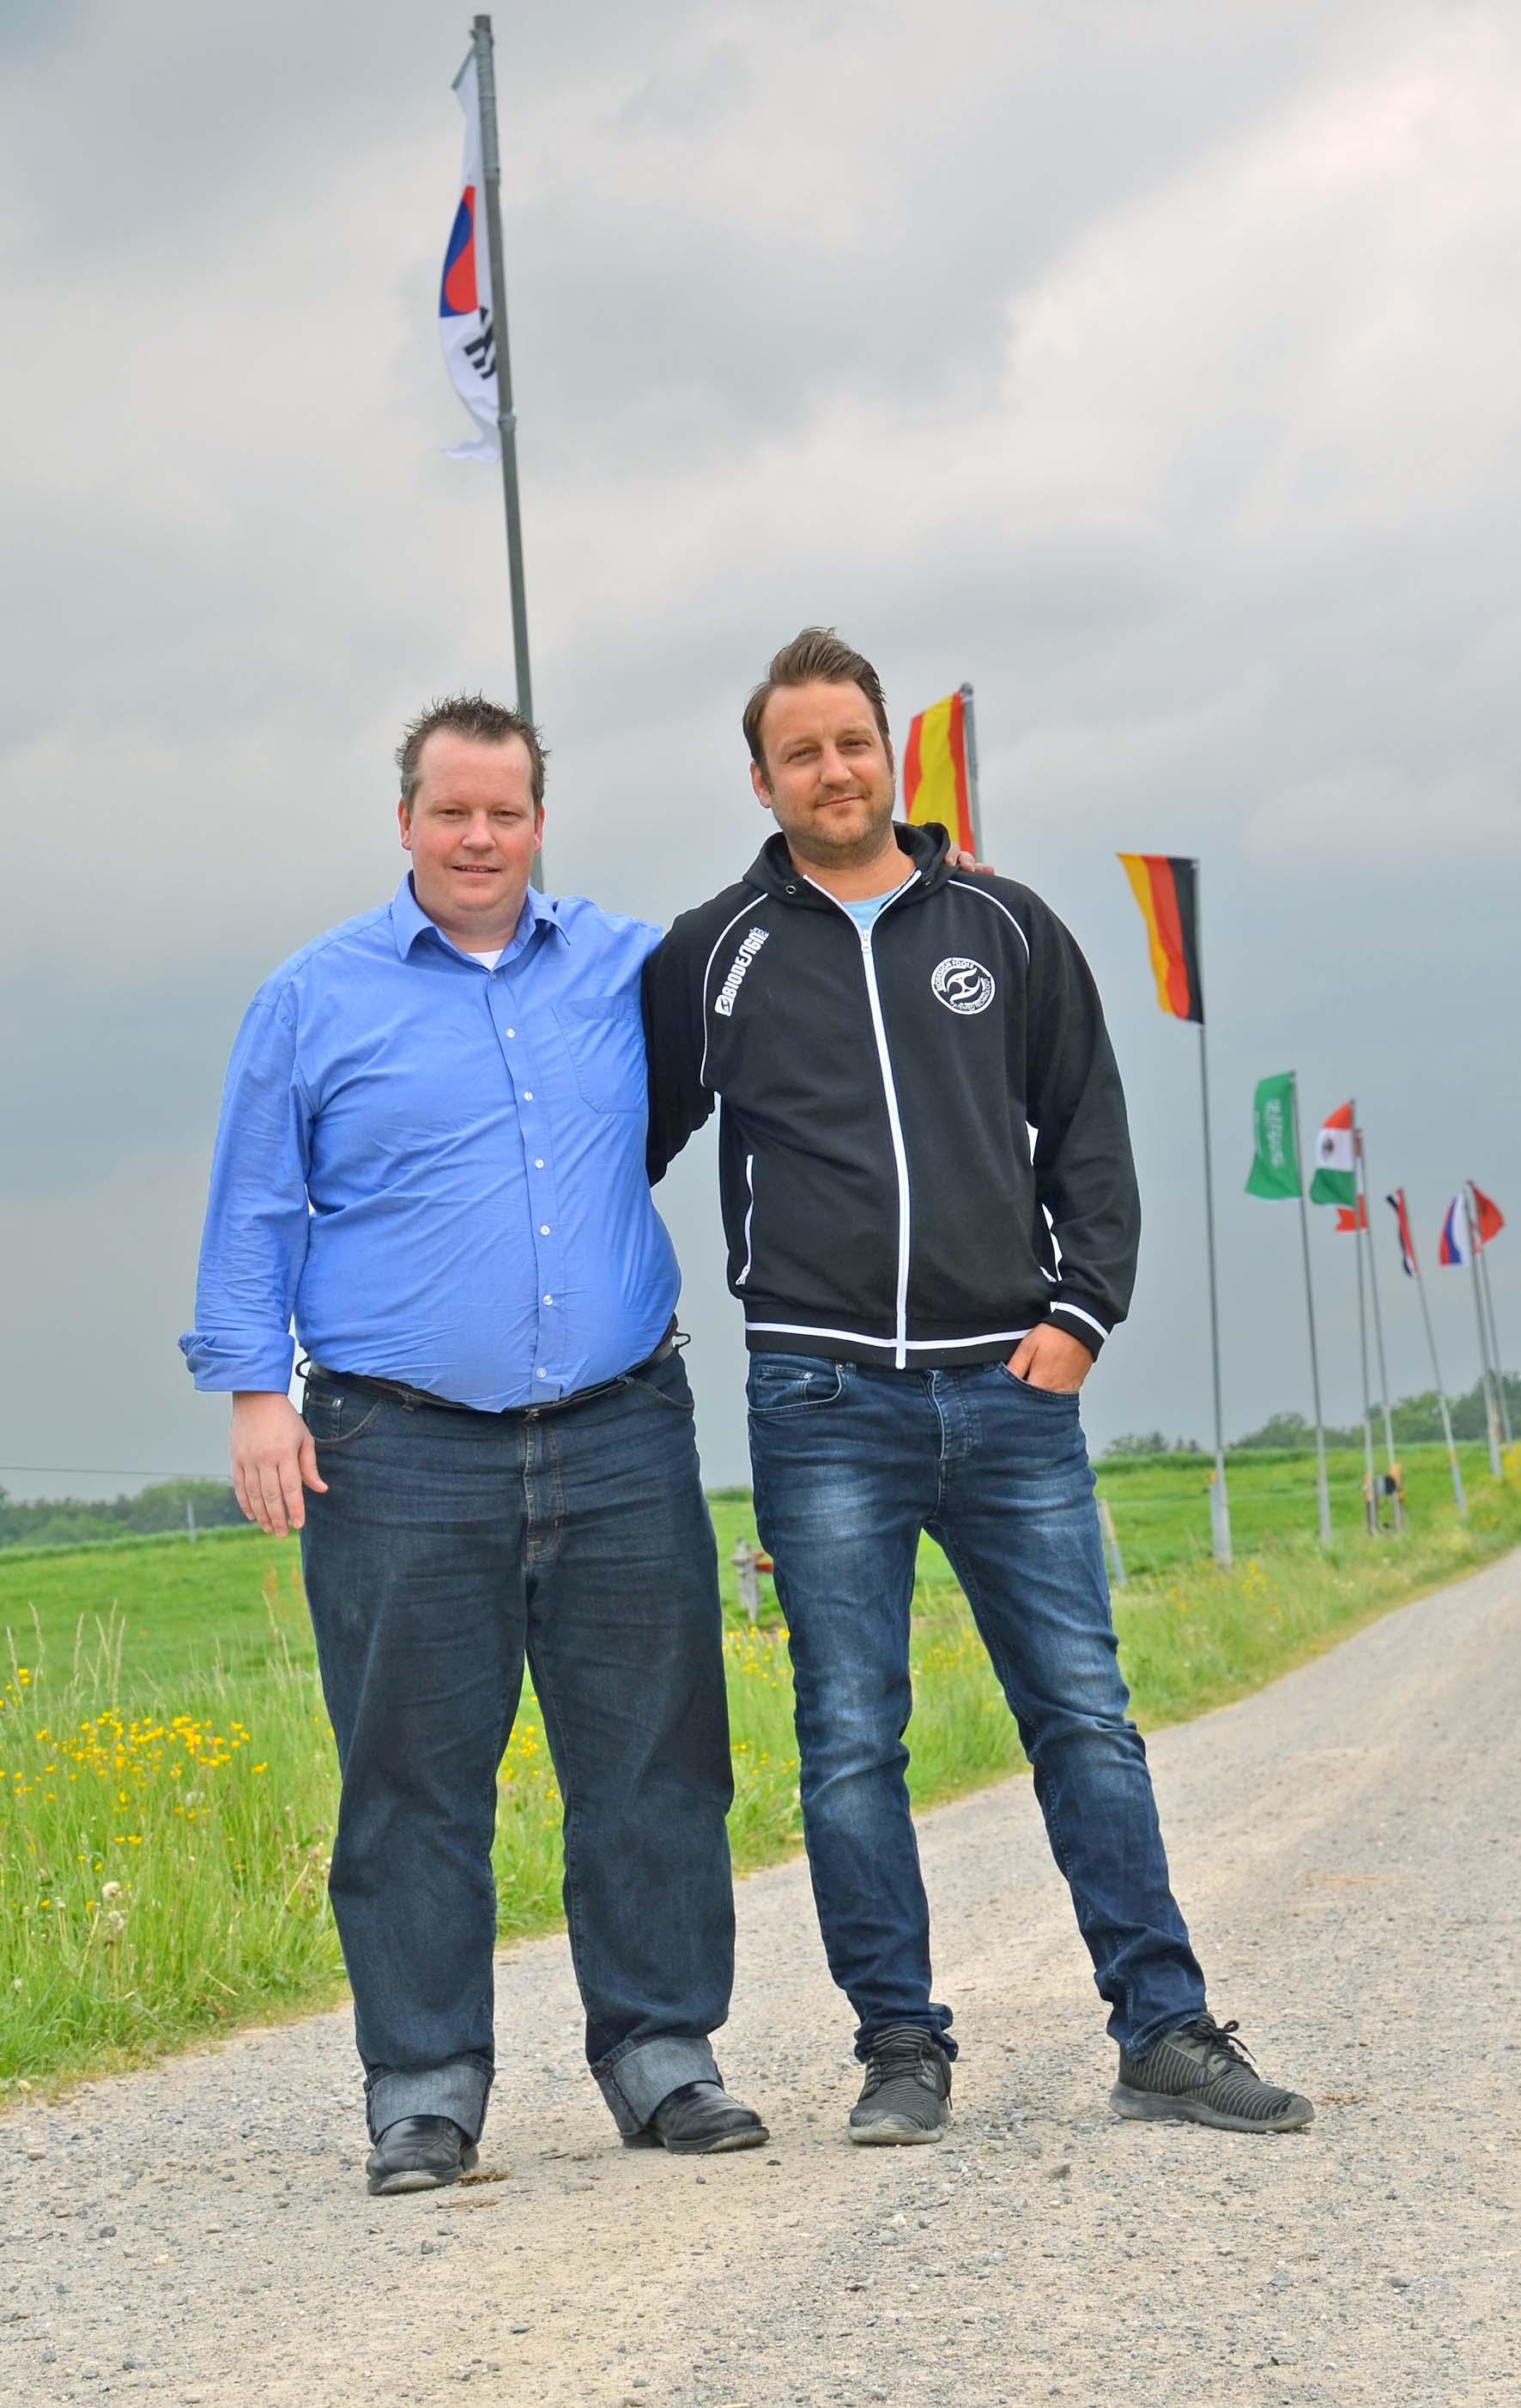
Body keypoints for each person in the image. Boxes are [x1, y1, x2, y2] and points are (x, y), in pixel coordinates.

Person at [641, 628, 1312, 2144]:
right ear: (762, 778)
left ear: (894, 754)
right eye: (801, 751)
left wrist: (1081, 1312)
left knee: (1084, 1713)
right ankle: (899, 2045)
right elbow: (628, 1146)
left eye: (854, 742)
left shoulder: (1005, 926)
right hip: (821, 1401)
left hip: (1010, 1394)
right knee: (850, 1736)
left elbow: (1088, 1124)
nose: (834, 770)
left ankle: (1164, 2027)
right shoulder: (716, 953)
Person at [181, 695, 767, 2193]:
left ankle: (661, 2053)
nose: (479, 836)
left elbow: (786, 983)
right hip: (395, 1444)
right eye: (452, 811)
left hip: (626, 1429)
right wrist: (255, 1393)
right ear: (405, 822)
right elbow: (257, 1204)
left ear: (540, 822)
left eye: (505, 811)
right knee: (410, 1774)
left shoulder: (632, 969)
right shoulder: (313, 997)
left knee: (652, 1757)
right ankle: (425, 2086)